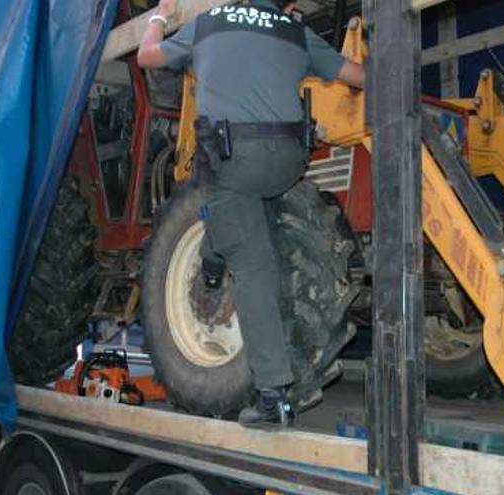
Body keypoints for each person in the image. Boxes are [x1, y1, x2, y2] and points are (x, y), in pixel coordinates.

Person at [137, 0, 364, 428]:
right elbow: (355, 74)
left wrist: (159, 18)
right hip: (288, 164)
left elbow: (146, 55)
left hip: (234, 162)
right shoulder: (294, 30)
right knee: (233, 217)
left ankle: (273, 396)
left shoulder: (208, 25)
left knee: (253, 264)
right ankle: (212, 258)